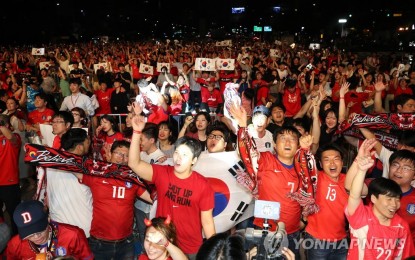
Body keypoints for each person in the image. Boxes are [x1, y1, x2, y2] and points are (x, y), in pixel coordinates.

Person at [128, 102, 215, 259]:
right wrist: (136, 132)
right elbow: (134, 164)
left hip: (190, 248)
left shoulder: (203, 185)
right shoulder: (163, 173)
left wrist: (214, 252)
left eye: (184, 155)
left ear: (194, 160)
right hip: (162, 244)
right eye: (177, 153)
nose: (178, 158)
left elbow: (207, 223)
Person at [229, 103, 304, 258]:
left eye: (293, 139)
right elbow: (248, 153)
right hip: (263, 231)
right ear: (275, 145)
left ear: (298, 146)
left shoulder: (304, 168)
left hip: (292, 234)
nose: (288, 142)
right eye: (283, 139)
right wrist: (243, 127)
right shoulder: (266, 160)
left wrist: (304, 220)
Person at [73, 140, 151, 259]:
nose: (123, 158)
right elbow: (71, 166)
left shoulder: (133, 179)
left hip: (126, 242)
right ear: (110, 154)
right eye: (119, 154)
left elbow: (153, 198)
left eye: (127, 156)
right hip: (100, 243)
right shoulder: (97, 174)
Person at [346, 138, 415, 259]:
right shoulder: (376, 185)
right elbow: (350, 187)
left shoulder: (401, 226)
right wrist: (359, 162)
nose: (399, 170)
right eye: (395, 165)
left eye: (406, 168)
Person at [304, 142, 349, 260]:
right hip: (317, 239)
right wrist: (306, 147)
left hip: (341, 240)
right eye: (327, 160)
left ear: (342, 162)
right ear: (320, 164)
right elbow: (303, 163)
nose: (332, 163)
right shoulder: (315, 178)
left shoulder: (348, 180)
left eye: (336, 159)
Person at [6, 200, 93, 259]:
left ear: (48, 219)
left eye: (40, 230)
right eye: (30, 234)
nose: (36, 236)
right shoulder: (15, 244)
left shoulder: (73, 235)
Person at [46, 128, 93, 237]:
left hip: (59, 227)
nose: (89, 145)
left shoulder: (50, 164)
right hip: (83, 228)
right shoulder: (85, 166)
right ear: (79, 147)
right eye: (87, 142)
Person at [0, 114, 22, 235]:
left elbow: (11, 138)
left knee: (14, 214)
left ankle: (17, 240)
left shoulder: (15, 138)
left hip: (9, 184)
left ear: (7, 125)